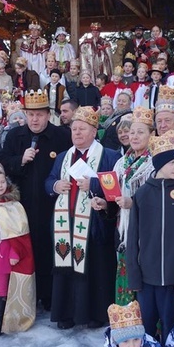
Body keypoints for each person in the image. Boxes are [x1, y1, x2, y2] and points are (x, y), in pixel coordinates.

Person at [46, 106, 121, 329]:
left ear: (94, 131)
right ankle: (66, 314)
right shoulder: (63, 157)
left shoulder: (109, 155)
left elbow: (115, 190)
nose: (77, 133)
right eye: (74, 129)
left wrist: (94, 184)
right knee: (66, 269)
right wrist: (55, 185)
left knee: (94, 270)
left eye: (82, 129)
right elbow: (48, 180)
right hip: (65, 224)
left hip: (94, 225)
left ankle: (95, 315)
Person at [0, 89, 72, 311]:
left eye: (39, 114)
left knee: (50, 248)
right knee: (25, 249)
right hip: (23, 204)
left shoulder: (61, 136)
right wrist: (20, 159)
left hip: (52, 204)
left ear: (48, 115)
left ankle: (50, 296)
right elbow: (2, 161)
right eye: (30, 115)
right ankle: (27, 295)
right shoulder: (14, 136)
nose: (35, 119)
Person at [124, 129, 174, 343]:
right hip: (146, 278)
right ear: (159, 164)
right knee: (147, 325)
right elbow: (133, 239)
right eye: (172, 163)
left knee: (172, 325)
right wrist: (134, 274)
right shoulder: (143, 194)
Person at [103, 107, 155, 306]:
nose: (134, 136)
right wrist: (105, 204)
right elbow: (114, 197)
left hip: (146, 231)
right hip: (123, 228)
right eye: (132, 132)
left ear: (152, 135)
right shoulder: (121, 163)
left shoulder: (154, 164)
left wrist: (134, 204)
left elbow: (158, 200)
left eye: (140, 132)